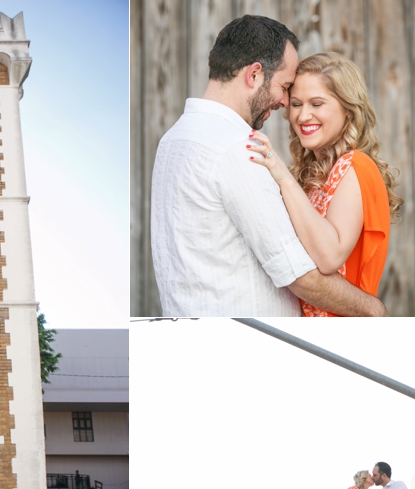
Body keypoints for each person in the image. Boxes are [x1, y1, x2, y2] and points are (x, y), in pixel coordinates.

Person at [150, 15, 387, 317]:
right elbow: (298, 274)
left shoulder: (173, 140)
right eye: (286, 88)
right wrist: (374, 310)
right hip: (253, 346)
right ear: (255, 75)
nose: (287, 103)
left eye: (315, 103)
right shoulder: (238, 147)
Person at [248, 52, 403, 317]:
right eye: (296, 104)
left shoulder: (356, 165)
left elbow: (330, 257)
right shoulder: (314, 174)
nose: (303, 116)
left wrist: (282, 176)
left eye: (317, 104)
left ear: (348, 109)